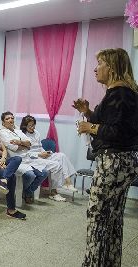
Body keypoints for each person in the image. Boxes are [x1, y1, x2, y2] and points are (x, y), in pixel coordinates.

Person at [72, 48, 138, 267]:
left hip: (113, 163)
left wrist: (88, 126)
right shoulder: (123, 93)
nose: (95, 68)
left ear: (111, 67)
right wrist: (88, 112)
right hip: (123, 162)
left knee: (97, 219)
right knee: (112, 220)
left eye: (99, 63)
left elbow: (116, 132)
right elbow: (114, 124)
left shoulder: (119, 94)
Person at [20, 115, 78, 199]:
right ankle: (54, 192)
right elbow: (24, 153)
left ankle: (68, 182)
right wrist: (39, 154)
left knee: (62, 155)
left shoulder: (36, 133)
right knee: (56, 165)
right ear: (25, 126)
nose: (32, 127)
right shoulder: (22, 135)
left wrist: (45, 152)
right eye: (30, 126)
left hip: (41, 154)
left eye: (33, 125)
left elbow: (40, 147)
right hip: (32, 158)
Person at [0, 111, 48, 204]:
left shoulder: (17, 131)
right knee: (31, 175)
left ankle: (27, 191)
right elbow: (14, 148)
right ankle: (24, 192)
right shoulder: (2, 133)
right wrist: (24, 145)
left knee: (44, 173)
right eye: (7, 118)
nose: (10, 120)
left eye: (12, 118)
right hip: (15, 160)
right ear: (3, 122)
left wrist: (20, 142)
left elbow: (29, 143)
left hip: (27, 158)